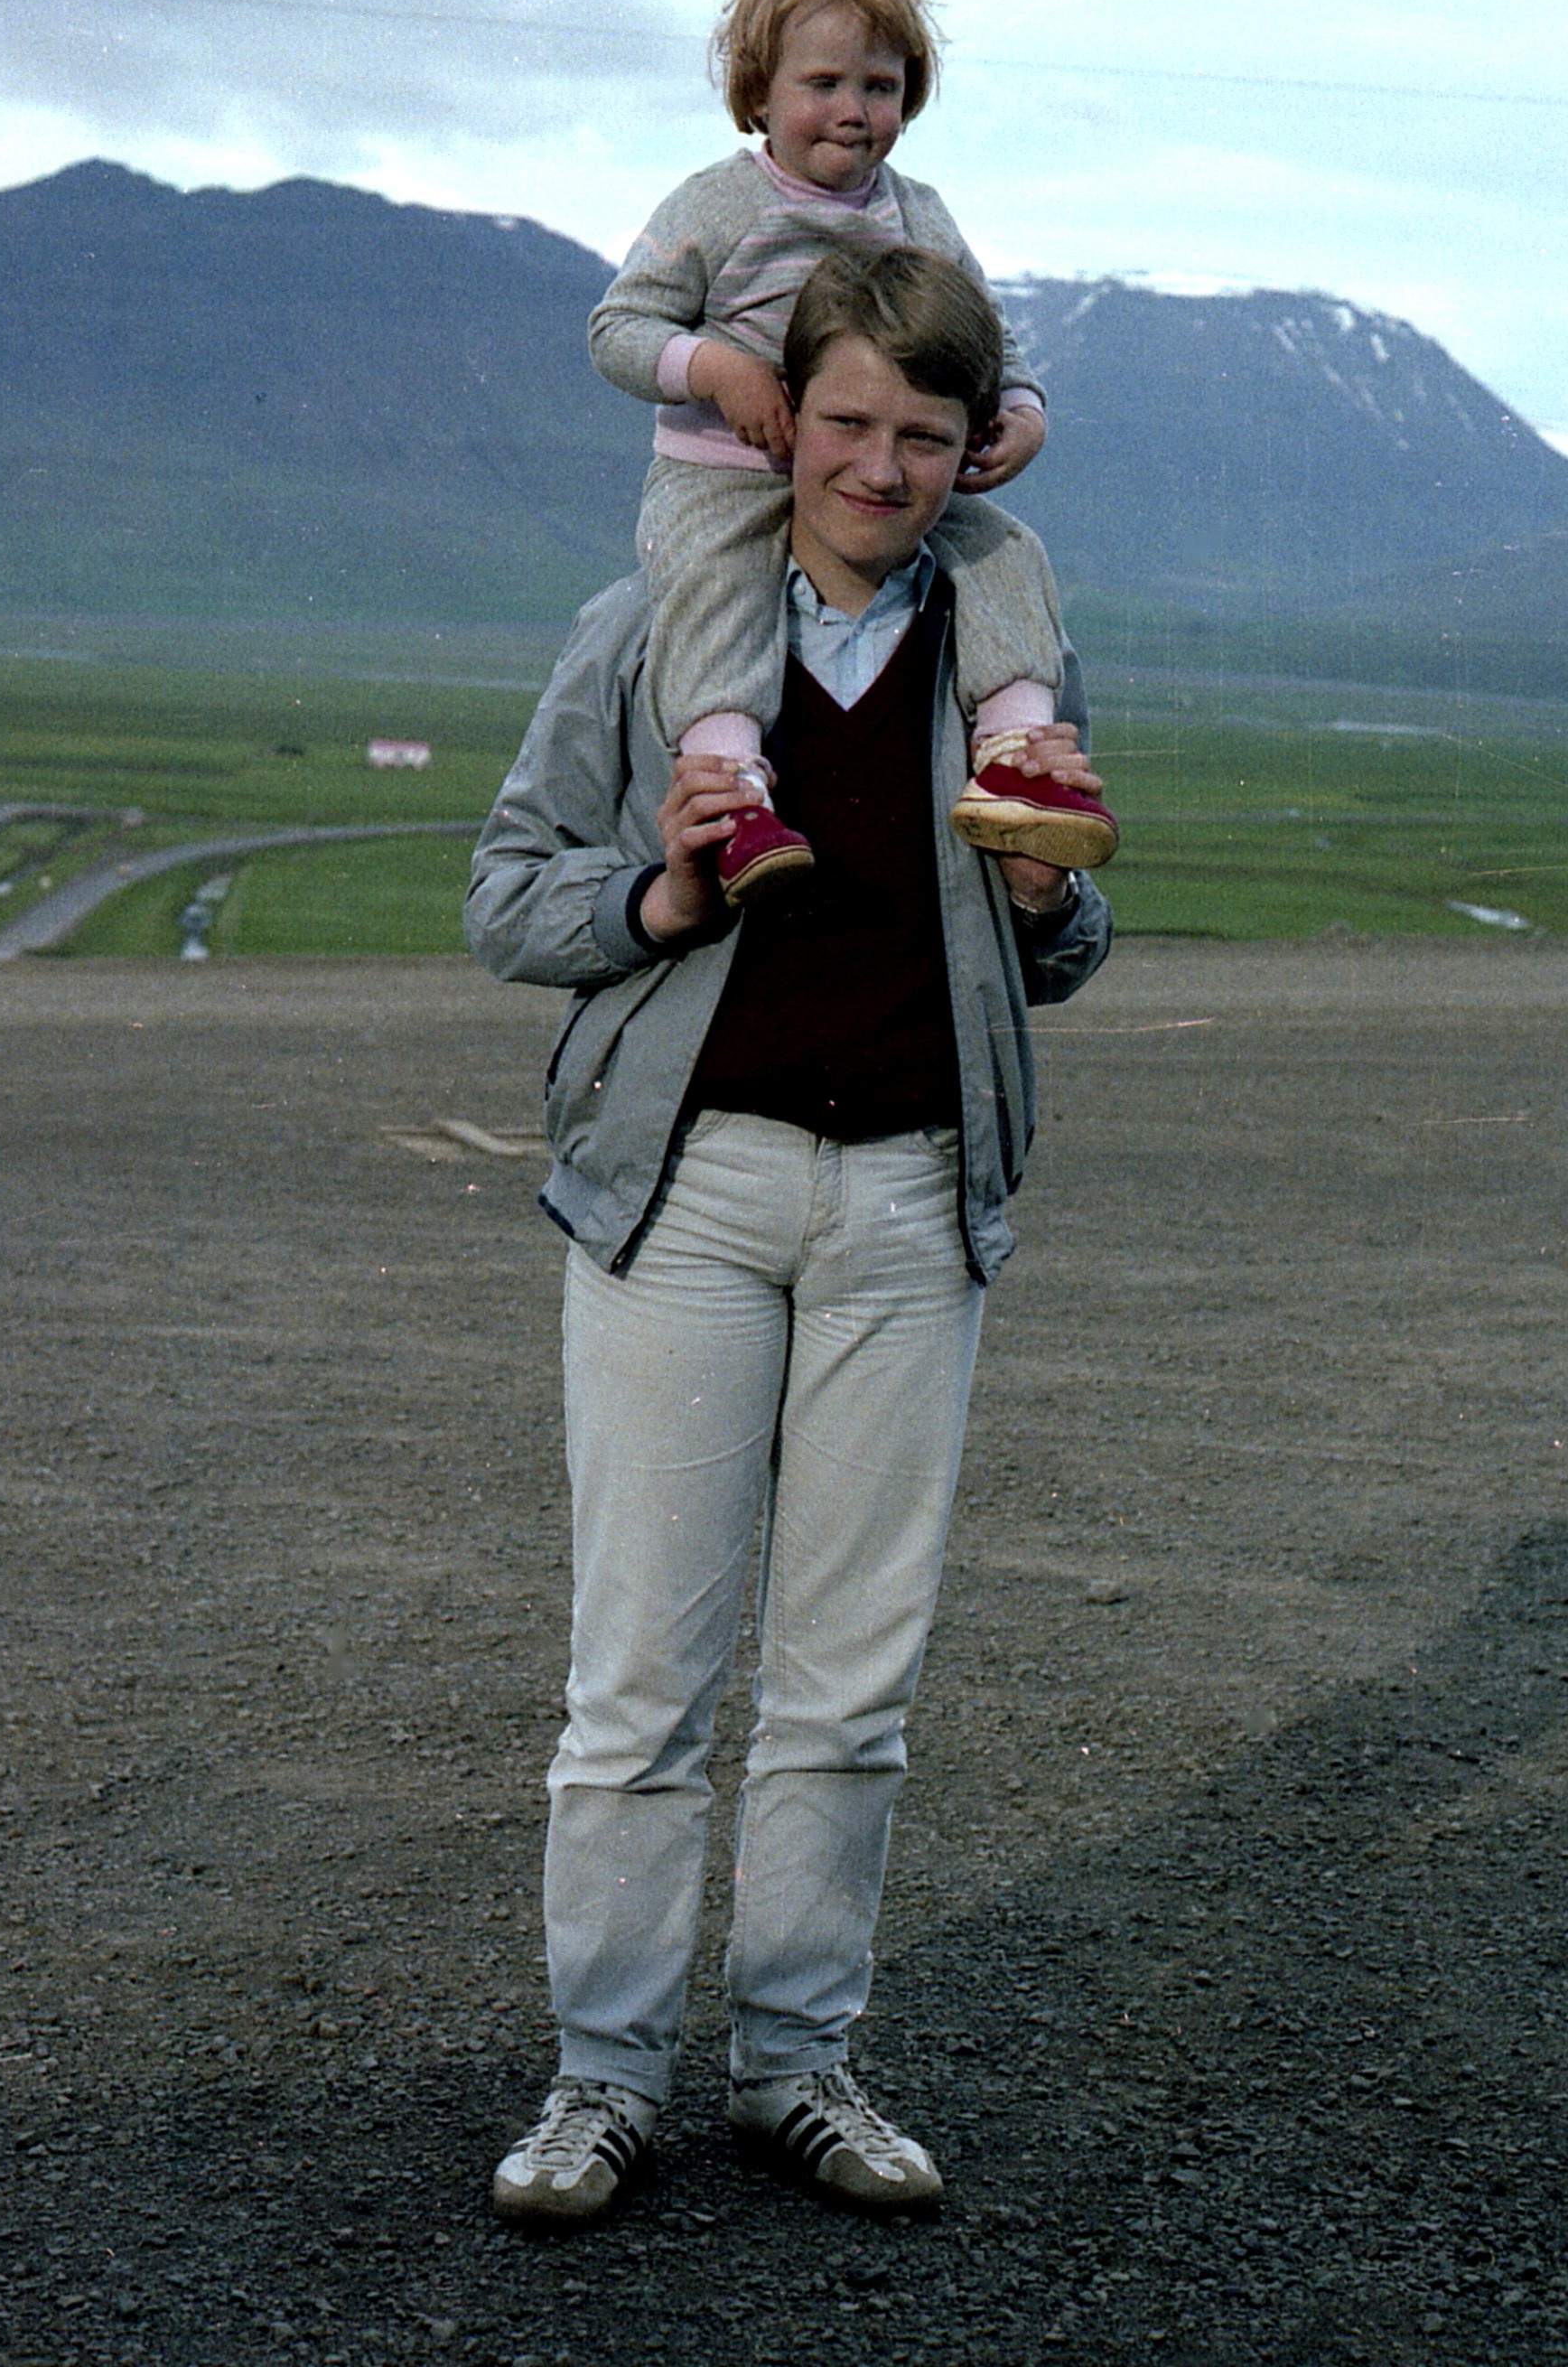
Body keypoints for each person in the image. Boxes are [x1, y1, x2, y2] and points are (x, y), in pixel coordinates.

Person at [466, 243, 1112, 2229]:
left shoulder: (1007, 644)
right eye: (845, 421)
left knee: (848, 1683)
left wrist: (1045, 905)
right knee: (640, 1679)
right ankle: (602, 2079)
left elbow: (1065, 942)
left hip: (914, 1199)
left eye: (923, 434)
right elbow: (509, 895)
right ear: (780, 419)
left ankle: (795, 2064)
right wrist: (658, 903)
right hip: (690, 1193)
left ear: (972, 448)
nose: (879, 468)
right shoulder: (646, 628)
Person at [588, 0, 1117, 905]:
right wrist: (718, 370)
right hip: (725, 477)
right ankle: (732, 796)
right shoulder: (718, 205)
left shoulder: (919, 214)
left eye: (879, 87)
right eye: (822, 83)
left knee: (1005, 552)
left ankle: (1013, 759)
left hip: (881, 482)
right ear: (759, 93)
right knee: (715, 589)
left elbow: (985, 332)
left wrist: (1020, 407)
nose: (852, 110)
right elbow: (618, 328)